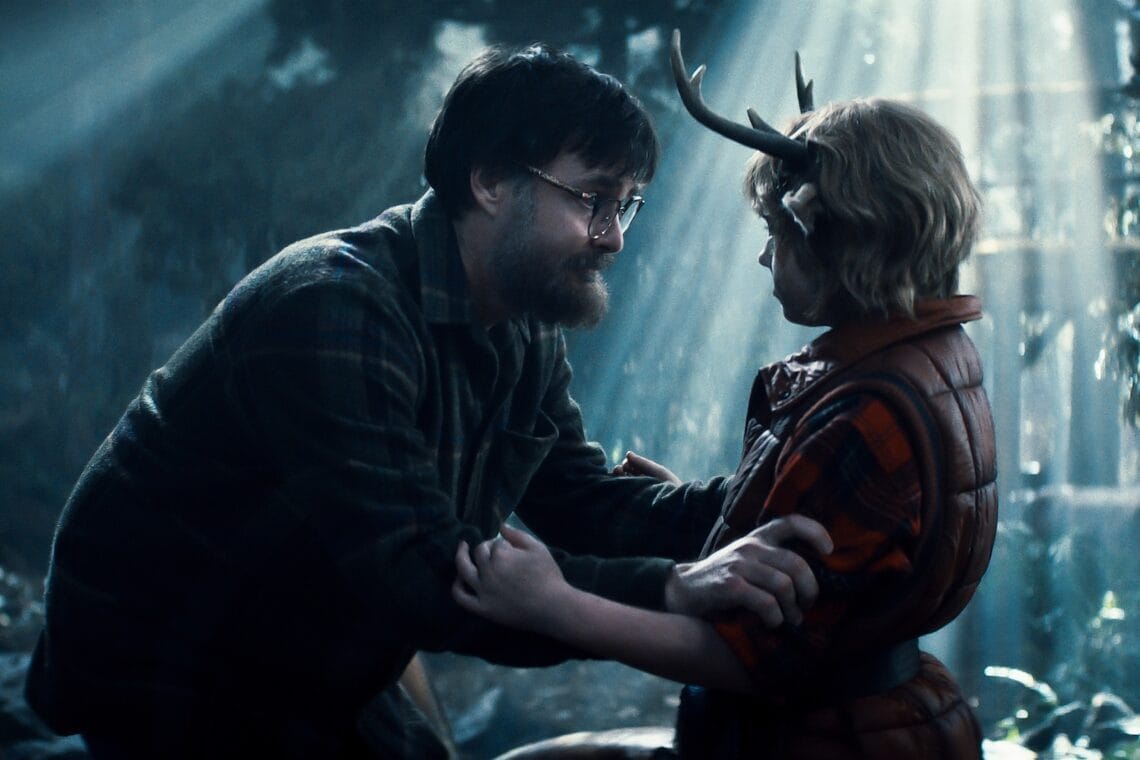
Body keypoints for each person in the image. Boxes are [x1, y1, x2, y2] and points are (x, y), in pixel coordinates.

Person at [24, 42, 831, 759]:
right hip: (175, 663)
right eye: (591, 199)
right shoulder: (333, 307)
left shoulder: (521, 320)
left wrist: (767, 503)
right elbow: (424, 576)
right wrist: (673, 587)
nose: (613, 236)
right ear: (490, 181)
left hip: (300, 640)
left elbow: (580, 499)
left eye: (624, 204)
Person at [452, 32, 999, 759]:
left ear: (835, 237)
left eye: (777, 231)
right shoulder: (930, 359)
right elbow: (839, 561)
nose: (766, 255)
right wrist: (719, 516)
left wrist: (556, 604)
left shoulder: (868, 411)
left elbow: (750, 657)